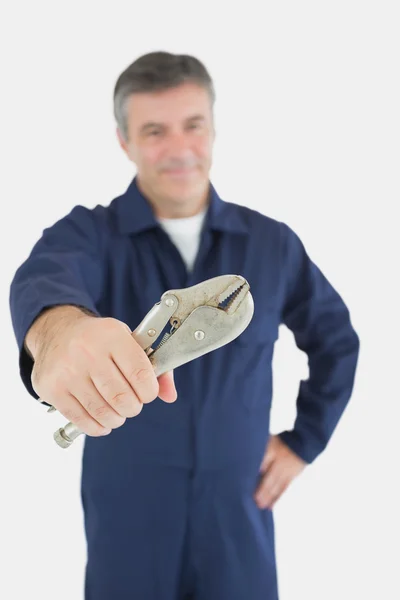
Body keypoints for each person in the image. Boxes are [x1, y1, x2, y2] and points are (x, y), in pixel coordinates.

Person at [9, 51, 360, 600]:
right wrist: (58, 334)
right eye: (154, 131)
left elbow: (336, 341)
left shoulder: (274, 245)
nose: (178, 150)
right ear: (124, 141)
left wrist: (303, 443)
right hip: (126, 516)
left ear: (214, 130)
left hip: (239, 514)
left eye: (193, 126)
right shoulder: (88, 235)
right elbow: (45, 277)